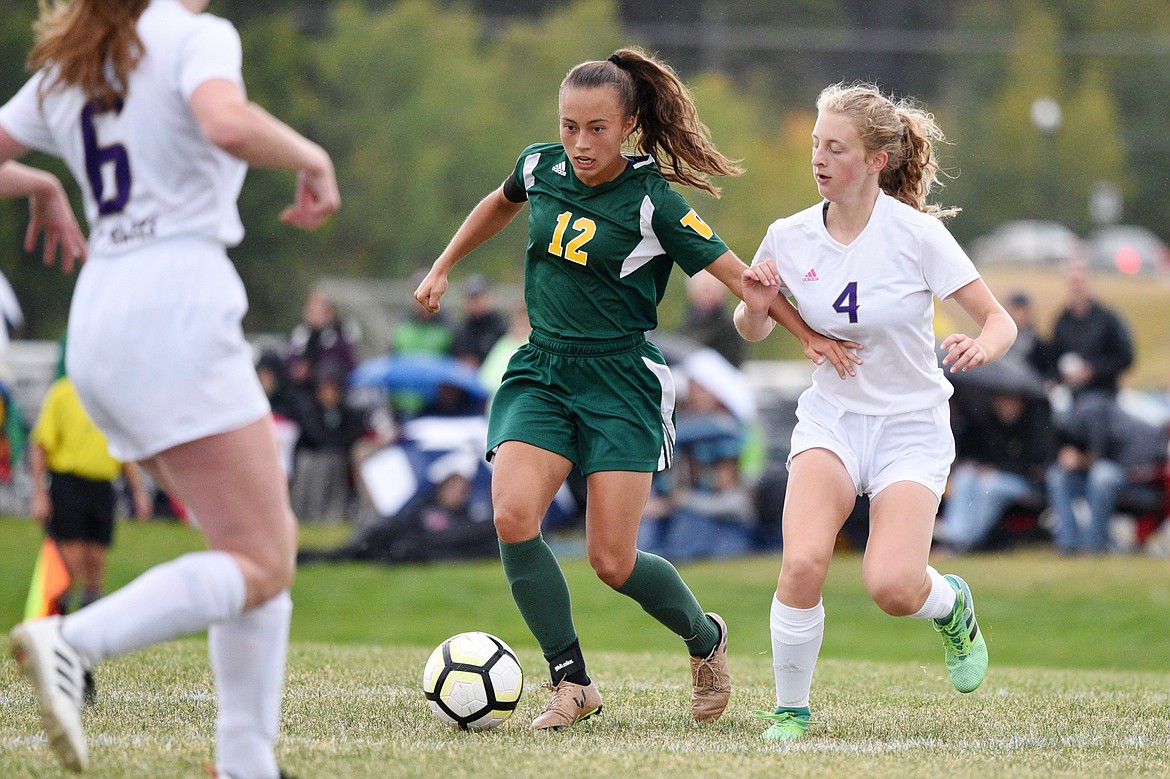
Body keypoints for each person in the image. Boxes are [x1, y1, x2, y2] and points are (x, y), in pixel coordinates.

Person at [414, 47, 858, 731]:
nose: (580, 142)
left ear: (627, 126)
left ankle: (704, 638)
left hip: (621, 382)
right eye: (569, 126)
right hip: (543, 369)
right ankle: (572, 682)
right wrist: (444, 265)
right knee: (512, 516)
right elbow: (498, 204)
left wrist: (809, 336)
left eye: (596, 128)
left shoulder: (654, 202)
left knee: (610, 560)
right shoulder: (540, 166)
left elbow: (742, 278)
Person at [1, 1, 339, 776]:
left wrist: (40, 188)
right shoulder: (194, 36)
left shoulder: (75, 56)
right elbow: (225, 122)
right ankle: (72, 640)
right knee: (262, 556)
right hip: (175, 303)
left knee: (255, 549)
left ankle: (246, 761)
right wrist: (309, 155)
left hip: (101, 317)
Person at [735, 82, 1017, 742]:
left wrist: (981, 344)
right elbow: (751, 327)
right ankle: (790, 709)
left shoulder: (916, 235)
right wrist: (752, 303)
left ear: (875, 161)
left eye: (836, 148)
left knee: (891, 586)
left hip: (910, 428)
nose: (820, 158)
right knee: (802, 561)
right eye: (815, 145)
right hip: (832, 420)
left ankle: (951, 605)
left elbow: (999, 319)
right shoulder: (788, 234)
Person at [30, 365, 154, 616]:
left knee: (97, 557)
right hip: (69, 482)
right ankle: (56, 617)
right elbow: (41, 444)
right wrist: (40, 494)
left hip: (102, 485)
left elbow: (124, 451)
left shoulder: (112, 399)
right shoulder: (62, 393)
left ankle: (90, 621)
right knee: (70, 558)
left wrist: (138, 491)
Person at [1045, 392, 1167, 555]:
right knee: (1057, 475)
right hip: (1098, 483)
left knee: (1102, 475)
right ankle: (1068, 544)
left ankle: (1094, 546)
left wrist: (1080, 460)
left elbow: (1101, 459)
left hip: (1137, 488)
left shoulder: (1099, 413)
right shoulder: (1077, 419)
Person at [935, 389, 1055, 554]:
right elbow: (978, 454)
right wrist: (980, 466)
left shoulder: (1034, 426)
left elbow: (1036, 465)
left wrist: (999, 469)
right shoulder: (989, 425)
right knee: (965, 477)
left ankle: (970, 541)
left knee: (990, 486)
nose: (1005, 407)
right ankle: (955, 536)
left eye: (1010, 401)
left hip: (1026, 484)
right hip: (989, 476)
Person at [1046, 258, 1134, 400]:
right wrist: (1059, 375)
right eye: (1073, 282)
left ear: (1090, 282)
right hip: (1071, 396)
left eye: (1080, 281)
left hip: (1103, 394)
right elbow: (1053, 356)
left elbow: (1125, 357)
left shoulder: (1108, 319)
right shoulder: (1062, 320)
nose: (1077, 287)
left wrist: (1093, 369)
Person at [679, 269, 746, 367]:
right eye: (703, 290)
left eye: (710, 290)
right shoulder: (684, 330)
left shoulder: (731, 329)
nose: (706, 296)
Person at [287, 289, 357, 381]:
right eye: (312, 310)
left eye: (320, 311)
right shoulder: (299, 337)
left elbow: (349, 366)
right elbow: (288, 364)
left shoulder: (339, 339)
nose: (315, 315)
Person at [450, 273, 509, 369]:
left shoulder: (501, 326)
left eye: (478, 297)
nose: (475, 302)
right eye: (471, 298)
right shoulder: (461, 328)